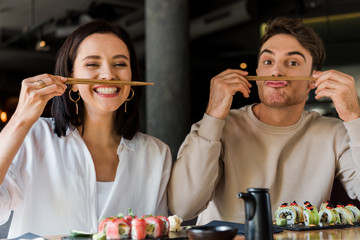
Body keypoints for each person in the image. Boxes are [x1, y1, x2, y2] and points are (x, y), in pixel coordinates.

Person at [168, 17, 360, 225]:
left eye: (293, 62)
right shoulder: (219, 128)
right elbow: (183, 208)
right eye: (268, 61)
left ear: (313, 80)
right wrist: (213, 115)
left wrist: (354, 116)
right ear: (258, 72)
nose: (276, 71)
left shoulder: (334, 133)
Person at [0, 19, 172, 238]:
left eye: (120, 64)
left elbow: (155, 233)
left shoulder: (156, 154)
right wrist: (21, 120)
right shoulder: (34, 137)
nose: (109, 74)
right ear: (71, 79)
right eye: (92, 64)